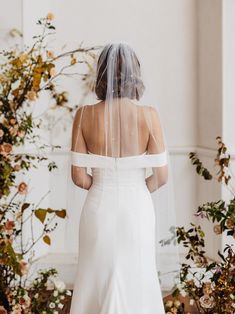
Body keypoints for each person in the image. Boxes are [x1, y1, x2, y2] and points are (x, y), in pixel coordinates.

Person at [69, 42, 176, 313]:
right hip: (137, 206)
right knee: (137, 275)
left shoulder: (84, 115)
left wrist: (103, 186)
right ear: (134, 74)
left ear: (100, 75)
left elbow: (78, 177)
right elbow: (162, 177)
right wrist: (135, 188)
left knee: (95, 276)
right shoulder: (149, 116)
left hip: (98, 206)